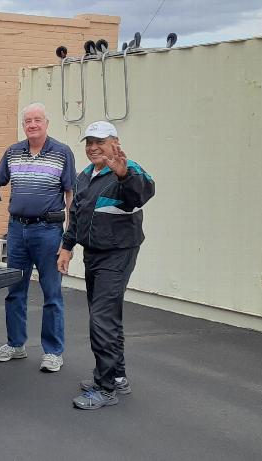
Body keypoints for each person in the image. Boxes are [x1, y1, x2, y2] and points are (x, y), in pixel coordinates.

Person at [0, 103, 76, 373]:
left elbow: (71, 196)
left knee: (52, 293)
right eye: (28, 121)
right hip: (17, 231)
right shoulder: (13, 152)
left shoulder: (62, 153)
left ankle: (53, 352)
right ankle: (15, 345)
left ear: (47, 123)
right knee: (15, 291)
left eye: (37, 120)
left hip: (48, 232)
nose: (32, 125)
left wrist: (68, 241)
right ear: (24, 125)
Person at [58, 121, 155, 410]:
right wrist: (66, 246)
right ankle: (118, 376)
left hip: (118, 253)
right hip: (94, 253)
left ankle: (106, 386)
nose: (93, 147)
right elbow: (76, 213)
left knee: (102, 319)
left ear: (115, 142)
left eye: (99, 141)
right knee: (107, 316)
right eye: (89, 142)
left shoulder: (128, 169)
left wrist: (124, 174)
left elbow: (143, 192)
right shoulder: (85, 175)